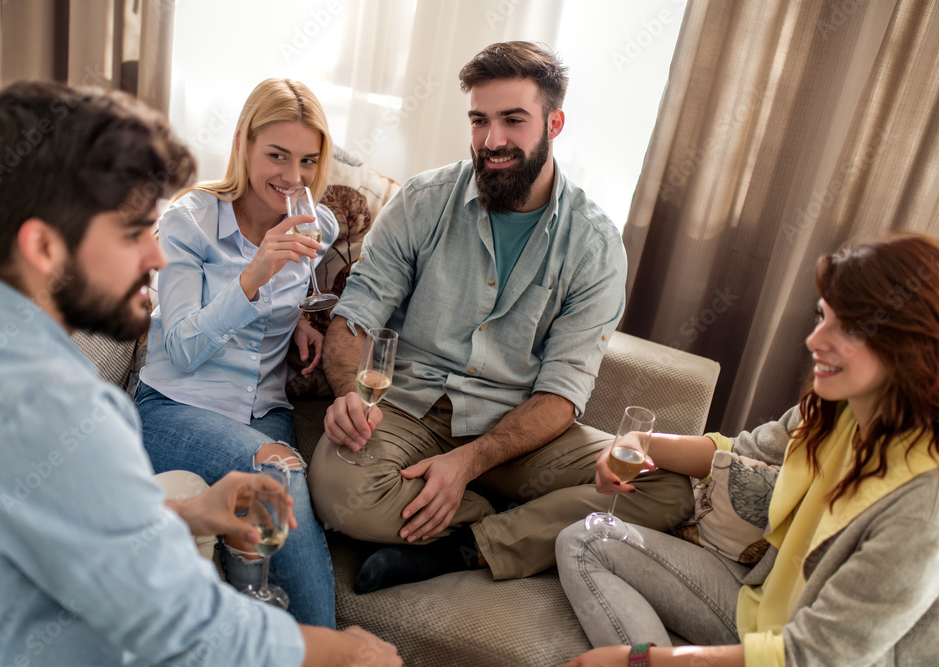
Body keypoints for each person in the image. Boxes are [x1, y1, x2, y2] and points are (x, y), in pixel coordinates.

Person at [0, 80, 400, 666]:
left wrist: (183, 514)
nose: (156, 257)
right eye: (134, 233)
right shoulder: (62, 410)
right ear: (44, 247)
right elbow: (184, 627)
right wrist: (345, 653)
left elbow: (42, 514)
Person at [308, 41, 692, 594]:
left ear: (554, 123)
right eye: (480, 120)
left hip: (518, 431)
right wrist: (346, 389)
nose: (493, 140)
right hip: (409, 408)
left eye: (513, 120)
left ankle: (475, 540)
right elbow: (355, 315)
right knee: (338, 491)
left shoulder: (596, 246)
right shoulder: (423, 201)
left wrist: (468, 463)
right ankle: (500, 517)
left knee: (666, 487)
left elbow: (562, 393)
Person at [556, 234, 939, 666]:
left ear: (912, 342)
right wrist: (639, 443)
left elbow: (813, 656)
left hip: (801, 654)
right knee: (586, 538)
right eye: (821, 317)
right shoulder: (837, 408)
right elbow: (741, 450)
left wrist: (636, 659)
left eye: (848, 327)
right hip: (756, 604)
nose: (815, 341)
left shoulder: (924, 506)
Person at [134, 78, 338, 627]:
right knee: (278, 474)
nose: (293, 177)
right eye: (276, 155)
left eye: (307, 160)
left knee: (268, 518)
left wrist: (304, 320)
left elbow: (311, 293)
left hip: (264, 413)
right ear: (244, 143)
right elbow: (180, 349)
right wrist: (254, 276)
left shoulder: (316, 225)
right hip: (176, 408)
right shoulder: (188, 222)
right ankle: (329, 652)